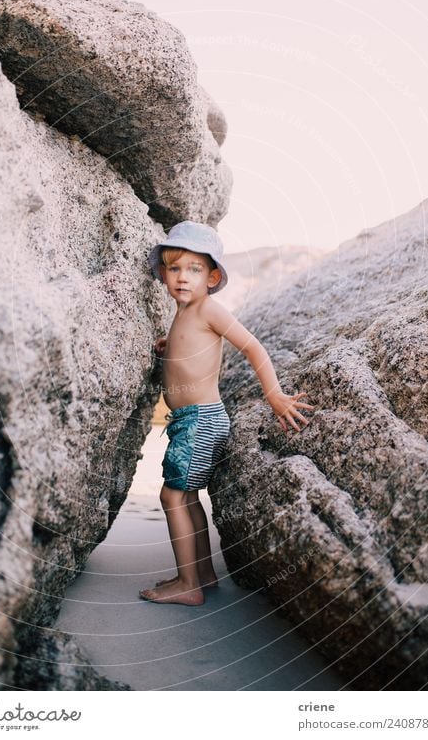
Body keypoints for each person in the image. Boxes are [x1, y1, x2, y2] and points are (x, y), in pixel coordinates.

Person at [139, 220, 315, 606]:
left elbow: (253, 348)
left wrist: (275, 396)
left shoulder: (209, 309)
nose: (183, 278)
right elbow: (192, 351)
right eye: (174, 268)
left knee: (172, 497)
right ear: (164, 274)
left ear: (213, 276)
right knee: (186, 497)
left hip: (201, 420)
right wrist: (168, 347)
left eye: (195, 269)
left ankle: (188, 585)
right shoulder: (185, 312)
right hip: (192, 421)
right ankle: (201, 573)